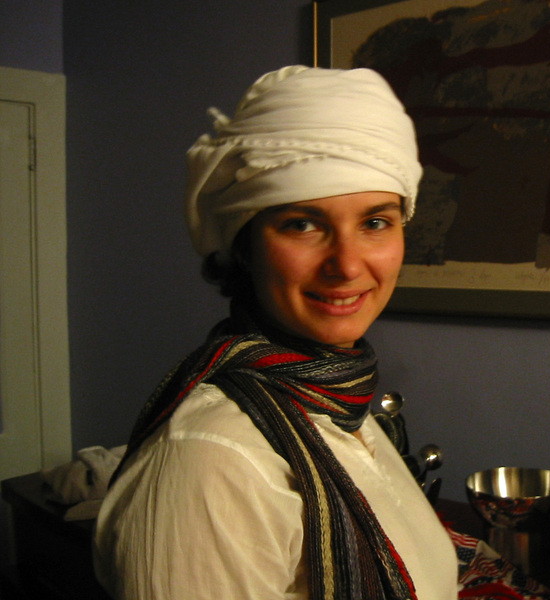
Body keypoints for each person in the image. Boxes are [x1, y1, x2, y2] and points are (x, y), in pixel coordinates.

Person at [93, 65, 459, 600]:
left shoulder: (336, 402)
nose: (347, 265)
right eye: (302, 224)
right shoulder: (214, 461)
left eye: (375, 222)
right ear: (245, 246)